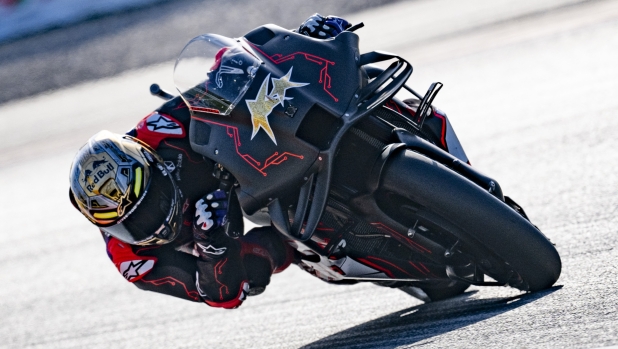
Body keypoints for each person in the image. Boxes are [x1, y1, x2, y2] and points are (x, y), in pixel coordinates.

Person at [69, 14, 464, 309]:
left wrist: (307, 42)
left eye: (148, 204)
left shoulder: (161, 130)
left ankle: (445, 160)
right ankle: (360, 258)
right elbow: (221, 297)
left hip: (256, 161)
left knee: (383, 92)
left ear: (154, 164)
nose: (147, 223)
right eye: (129, 224)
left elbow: (232, 71)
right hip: (248, 224)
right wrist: (214, 248)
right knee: (260, 264)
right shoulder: (132, 259)